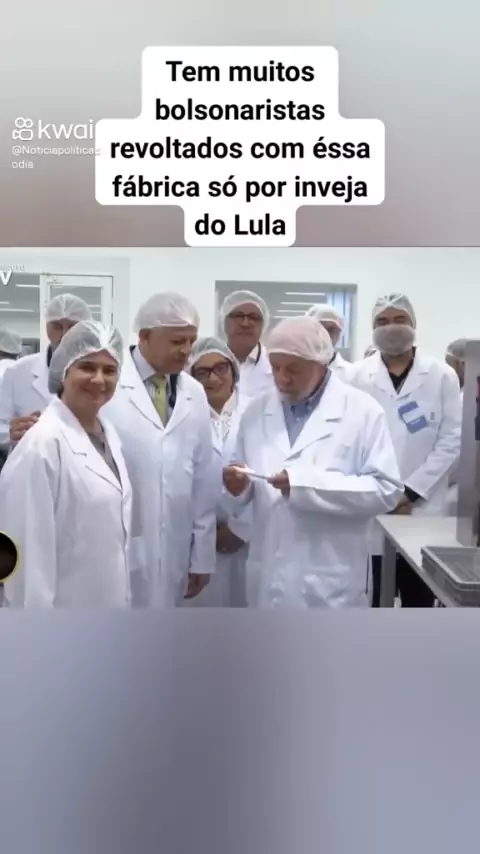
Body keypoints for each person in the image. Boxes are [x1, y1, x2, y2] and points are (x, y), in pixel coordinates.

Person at [222, 316, 403, 609]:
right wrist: (237, 488)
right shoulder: (256, 411)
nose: (282, 378)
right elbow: (243, 480)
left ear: (321, 364)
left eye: (293, 369)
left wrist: (304, 485)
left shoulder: (362, 412)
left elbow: (386, 489)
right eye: (275, 367)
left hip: (331, 580)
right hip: (267, 574)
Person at [0, 321, 132, 608]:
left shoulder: (108, 435)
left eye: (109, 370)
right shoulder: (41, 445)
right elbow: (27, 562)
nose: (99, 379)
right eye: (87, 367)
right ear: (63, 372)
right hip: (60, 617)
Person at [103, 292, 217, 608]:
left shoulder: (194, 392)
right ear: (145, 336)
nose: (187, 350)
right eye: (177, 341)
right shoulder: (108, 383)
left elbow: (203, 478)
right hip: (117, 540)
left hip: (174, 546)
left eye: (191, 341)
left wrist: (202, 555)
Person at [350, 293, 462, 607]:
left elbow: (452, 440)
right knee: (372, 598)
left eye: (400, 319)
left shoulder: (441, 374)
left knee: (419, 600)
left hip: (423, 508)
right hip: (372, 507)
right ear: (372, 328)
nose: (391, 327)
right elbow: (350, 441)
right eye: (382, 321)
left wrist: (409, 493)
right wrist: (384, 494)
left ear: (414, 324)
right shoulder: (356, 376)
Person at [186, 336, 252, 607]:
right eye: (202, 372)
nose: (212, 378)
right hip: (197, 541)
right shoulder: (182, 415)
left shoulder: (258, 411)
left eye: (220, 368)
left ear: (233, 371)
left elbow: (273, 472)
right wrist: (204, 534)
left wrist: (241, 528)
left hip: (248, 541)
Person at [0, 293, 92, 449]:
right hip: (32, 459)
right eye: (57, 326)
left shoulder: (101, 375)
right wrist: (10, 433)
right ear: (47, 328)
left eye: (72, 327)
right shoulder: (16, 373)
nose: (64, 334)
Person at [219, 289, 275, 398]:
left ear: (263, 324)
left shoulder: (276, 366)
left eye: (254, 317)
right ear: (224, 321)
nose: (245, 324)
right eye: (237, 316)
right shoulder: (206, 364)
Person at [445, 338, 467, 515]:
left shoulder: (464, 401)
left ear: (462, 364)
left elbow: (455, 448)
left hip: (462, 488)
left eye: (449, 364)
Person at [305, 304, 355, 382]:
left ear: (339, 334)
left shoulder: (352, 373)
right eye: (320, 328)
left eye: (331, 329)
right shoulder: (295, 369)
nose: (325, 334)